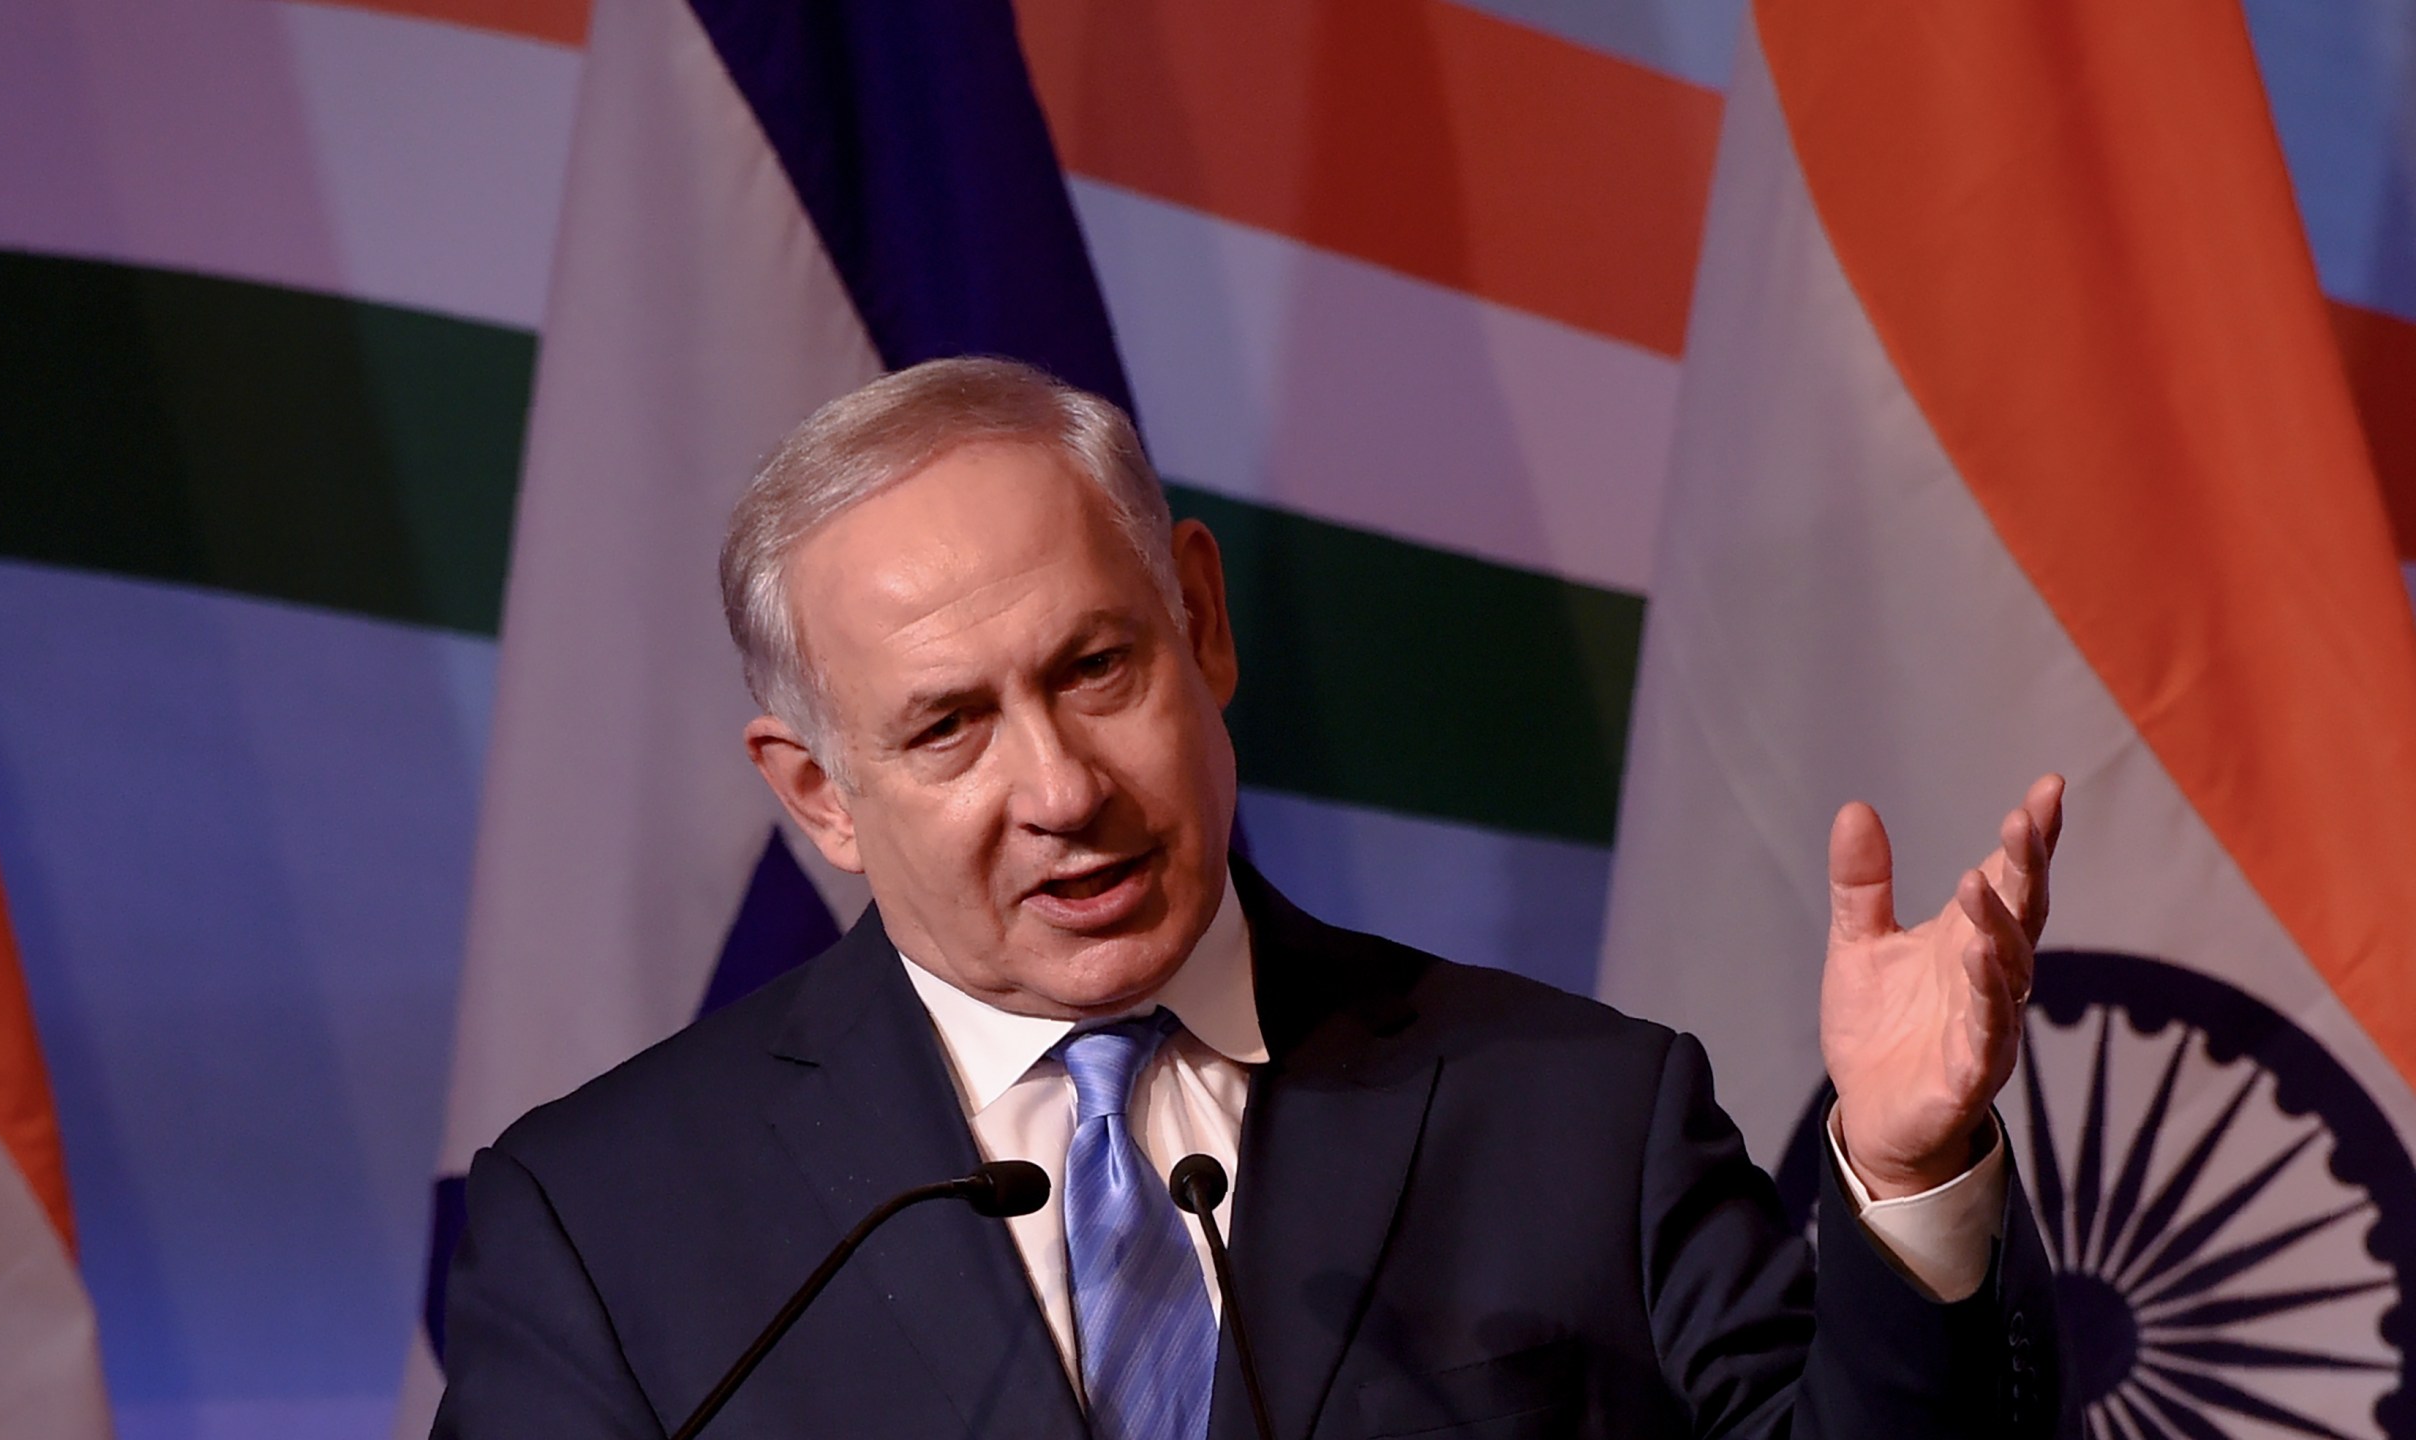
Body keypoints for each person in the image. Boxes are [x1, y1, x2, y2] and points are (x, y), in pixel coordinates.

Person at [433, 357, 2073, 1439]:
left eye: (1097, 668)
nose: (1064, 788)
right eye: (948, 728)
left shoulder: (1577, 1115)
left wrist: (1910, 1170)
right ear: (816, 792)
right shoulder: (607, 1226)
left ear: (1201, 623)